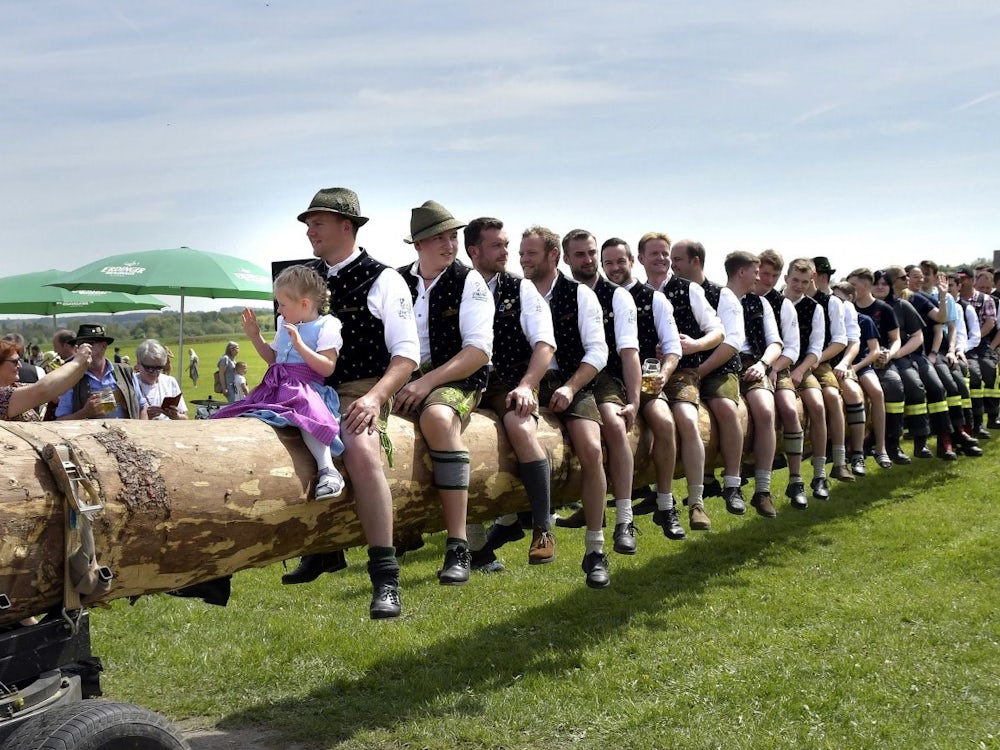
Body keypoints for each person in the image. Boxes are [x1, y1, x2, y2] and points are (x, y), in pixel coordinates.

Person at [286, 187, 417, 620]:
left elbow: (406, 355)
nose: (310, 231)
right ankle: (325, 548)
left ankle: (385, 574)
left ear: (348, 226)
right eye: (307, 224)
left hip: (361, 384)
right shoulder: (302, 277)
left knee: (360, 449)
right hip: (307, 383)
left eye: (317, 223)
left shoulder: (385, 278)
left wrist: (376, 396)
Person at [395, 200, 494, 586]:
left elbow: (478, 352)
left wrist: (425, 382)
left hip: (459, 378)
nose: (449, 245)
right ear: (418, 244)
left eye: (452, 237)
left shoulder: (469, 282)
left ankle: (458, 544)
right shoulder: (397, 280)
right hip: (404, 376)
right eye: (439, 238)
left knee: (437, 417)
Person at [463, 217, 557, 570]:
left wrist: (526, 385)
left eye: (506, 245)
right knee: (452, 442)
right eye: (497, 246)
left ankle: (542, 528)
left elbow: (545, 344)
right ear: (474, 251)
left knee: (520, 428)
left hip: (507, 381)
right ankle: (472, 548)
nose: (506, 252)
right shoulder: (456, 284)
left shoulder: (521, 288)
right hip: (462, 381)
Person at [520, 225, 610, 587]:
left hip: (570, 381)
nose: (523, 260)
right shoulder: (517, 291)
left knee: (591, 448)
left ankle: (595, 549)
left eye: (531, 254)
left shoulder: (580, 296)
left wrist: (572, 387)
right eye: (522, 253)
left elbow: (598, 351)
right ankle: (495, 532)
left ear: (552, 255)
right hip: (524, 381)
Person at [211, 265, 346, 500]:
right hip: (276, 385)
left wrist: (301, 346)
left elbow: (327, 366)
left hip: (306, 387)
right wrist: (255, 335)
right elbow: (273, 358)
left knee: (307, 415)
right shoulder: (284, 325)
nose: (279, 310)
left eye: (283, 305)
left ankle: (329, 471)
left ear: (304, 304)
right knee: (242, 412)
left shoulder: (327, 325)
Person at [637, 232, 724, 529]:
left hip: (684, 371)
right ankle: (648, 494)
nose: (662, 259)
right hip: (646, 372)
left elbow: (718, 332)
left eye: (666, 254)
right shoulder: (636, 293)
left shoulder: (689, 290)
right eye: (655, 254)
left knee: (687, 420)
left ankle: (696, 502)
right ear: (641, 259)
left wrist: (695, 345)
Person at [564, 230, 642, 554]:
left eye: (591, 253)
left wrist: (634, 400)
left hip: (606, 374)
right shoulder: (558, 294)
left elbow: (628, 351)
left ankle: (625, 517)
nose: (587, 260)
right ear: (565, 259)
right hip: (567, 374)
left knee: (613, 423)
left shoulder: (618, 296)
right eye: (579, 254)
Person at [601, 238, 684, 539]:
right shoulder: (595, 295)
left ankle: (665, 503)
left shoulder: (654, 299)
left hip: (646, 378)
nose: (614, 268)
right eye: (608, 262)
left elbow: (673, 346)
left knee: (664, 422)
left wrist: (664, 373)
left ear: (631, 262)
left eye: (619, 261)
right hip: (606, 379)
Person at [669, 239, 747, 516]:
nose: (671, 264)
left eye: (677, 259)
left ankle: (733, 482)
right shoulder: (669, 292)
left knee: (726, 408)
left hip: (718, 367)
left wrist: (700, 371)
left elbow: (732, 342)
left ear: (696, 261)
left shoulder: (721, 295)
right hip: (680, 368)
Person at [729, 251, 783, 517]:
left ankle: (762, 490)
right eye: (756, 272)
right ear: (742, 272)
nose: (760, 278)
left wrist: (763, 365)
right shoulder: (713, 298)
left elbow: (775, 342)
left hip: (753, 363)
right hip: (721, 365)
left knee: (765, 410)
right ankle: (728, 484)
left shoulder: (761, 304)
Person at [755, 250, 807, 508]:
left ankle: (796, 479)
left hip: (778, 366)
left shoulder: (783, 304)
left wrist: (774, 368)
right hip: (744, 364)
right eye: (765, 273)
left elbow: (793, 348)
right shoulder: (738, 296)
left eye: (775, 275)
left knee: (788, 408)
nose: (769, 280)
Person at [848, 268, 911, 464]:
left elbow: (896, 339)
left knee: (892, 386)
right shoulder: (845, 309)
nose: (850, 289)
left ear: (866, 285)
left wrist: (889, 354)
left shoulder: (884, 309)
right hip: (851, 361)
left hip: (880, 360)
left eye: (853, 284)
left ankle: (888, 444)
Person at [809, 257, 851, 482]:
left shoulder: (832, 303)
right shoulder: (785, 299)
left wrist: (816, 359)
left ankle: (840, 460)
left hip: (822, 360)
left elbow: (840, 341)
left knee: (833, 397)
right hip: (787, 360)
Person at [54, 324, 148, 421]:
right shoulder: (72, 378)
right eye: (80, 344)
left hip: (127, 434)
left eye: (89, 343)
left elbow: (142, 407)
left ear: (103, 346)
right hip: (89, 435)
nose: (84, 348)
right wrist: (84, 413)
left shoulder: (125, 372)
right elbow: (60, 420)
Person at [1, 339, 93, 422]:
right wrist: (77, 362)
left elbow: (56, 389)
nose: (20, 366)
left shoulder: (15, 387)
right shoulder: (2, 397)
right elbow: (42, 390)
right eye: (15, 362)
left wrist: (81, 367)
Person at [133, 339, 188, 420]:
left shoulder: (170, 382)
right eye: (149, 368)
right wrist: (144, 416)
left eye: (159, 368)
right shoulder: (130, 384)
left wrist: (176, 416)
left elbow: (186, 417)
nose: (155, 373)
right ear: (138, 364)